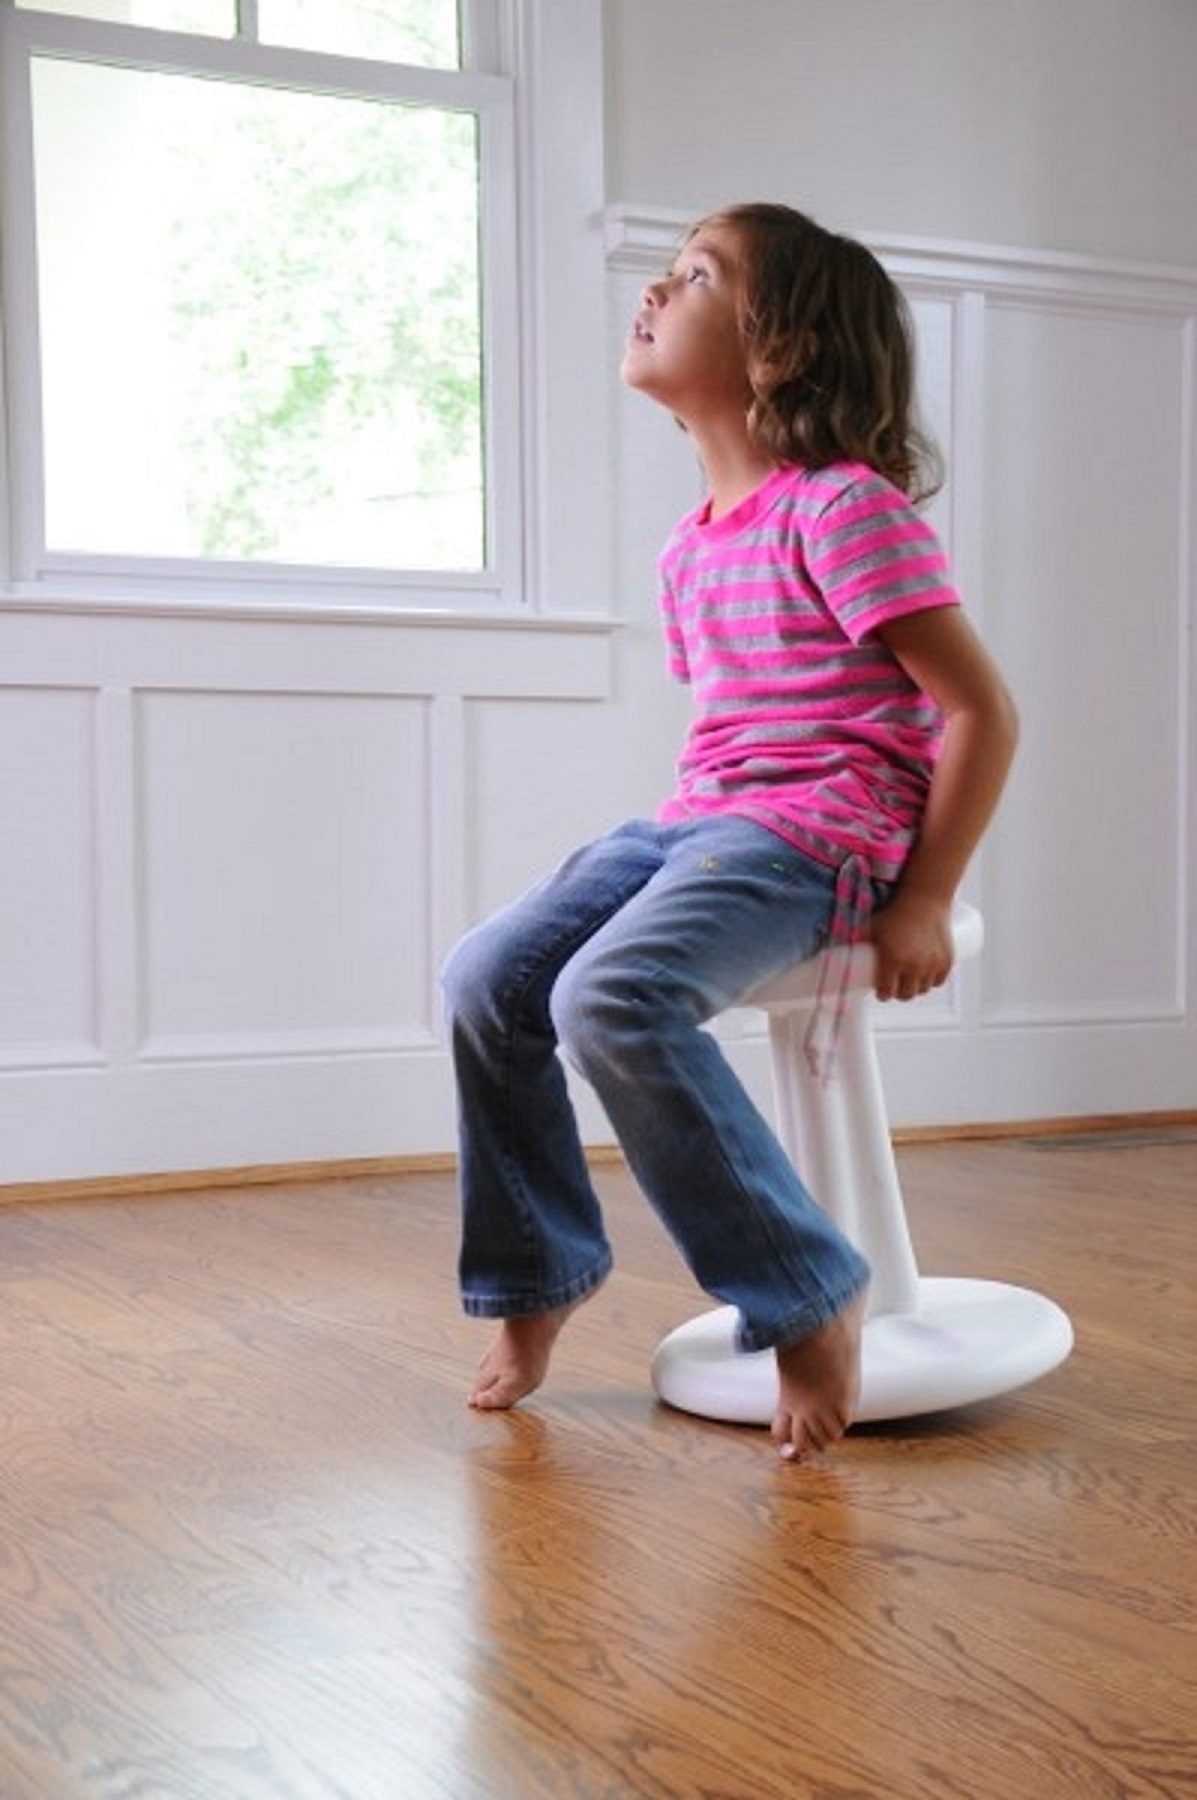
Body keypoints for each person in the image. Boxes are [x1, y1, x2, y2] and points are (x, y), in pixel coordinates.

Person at [442, 202, 1018, 1463]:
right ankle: (538, 1267)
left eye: (695, 275)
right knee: (485, 977)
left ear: (781, 347)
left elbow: (980, 710)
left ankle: (805, 1291)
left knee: (610, 996)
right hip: (703, 821)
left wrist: (925, 895)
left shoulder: (844, 509)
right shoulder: (691, 548)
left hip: (824, 829)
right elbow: (735, 735)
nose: (654, 291)